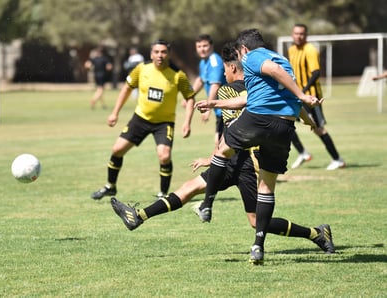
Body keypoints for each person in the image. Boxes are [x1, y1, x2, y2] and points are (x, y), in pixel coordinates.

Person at [110, 42, 335, 256]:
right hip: (232, 160)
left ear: (231, 66)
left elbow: (235, 128)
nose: (223, 76)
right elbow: (280, 106)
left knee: (257, 221)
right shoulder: (259, 85)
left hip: (247, 163)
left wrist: (214, 154)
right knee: (189, 188)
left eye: (225, 70)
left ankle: (315, 233)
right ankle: (138, 216)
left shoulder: (231, 92)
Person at [194, 29, 322, 265]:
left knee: (222, 149)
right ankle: (258, 246)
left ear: (243, 49)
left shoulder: (252, 56)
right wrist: (310, 120)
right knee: (266, 186)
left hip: (259, 119)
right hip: (284, 127)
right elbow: (269, 96)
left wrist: (302, 95)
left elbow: (277, 79)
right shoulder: (282, 60)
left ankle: (208, 203)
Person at [91, 39, 196, 201]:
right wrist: (114, 113)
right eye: (156, 52)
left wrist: (187, 122)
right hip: (140, 119)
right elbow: (127, 88)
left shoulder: (178, 75)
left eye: (163, 52)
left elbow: (190, 97)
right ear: (151, 53)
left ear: (168, 54)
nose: (160, 55)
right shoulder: (141, 69)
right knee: (117, 150)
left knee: (164, 156)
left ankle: (163, 194)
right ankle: (110, 187)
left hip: (164, 123)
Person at [288, 24, 346, 170]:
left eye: (301, 34)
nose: (298, 36)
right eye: (296, 33)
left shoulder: (310, 50)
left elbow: (316, 73)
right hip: (297, 96)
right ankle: (303, 153)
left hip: (311, 97)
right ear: (292, 34)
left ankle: (337, 159)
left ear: (306, 35)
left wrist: (303, 92)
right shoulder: (291, 50)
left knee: (318, 129)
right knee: (285, 122)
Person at [193, 34, 227, 143]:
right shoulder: (204, 62)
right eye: (199, 46)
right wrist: (189, 95)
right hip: (219, 110)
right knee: (220, 142)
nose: (202, 49)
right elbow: (201, 80)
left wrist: (208, 107)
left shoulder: (214, 62)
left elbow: (215, 85)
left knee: (221, 143)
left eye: (205, 46)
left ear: (211, 46)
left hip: (227, 108)